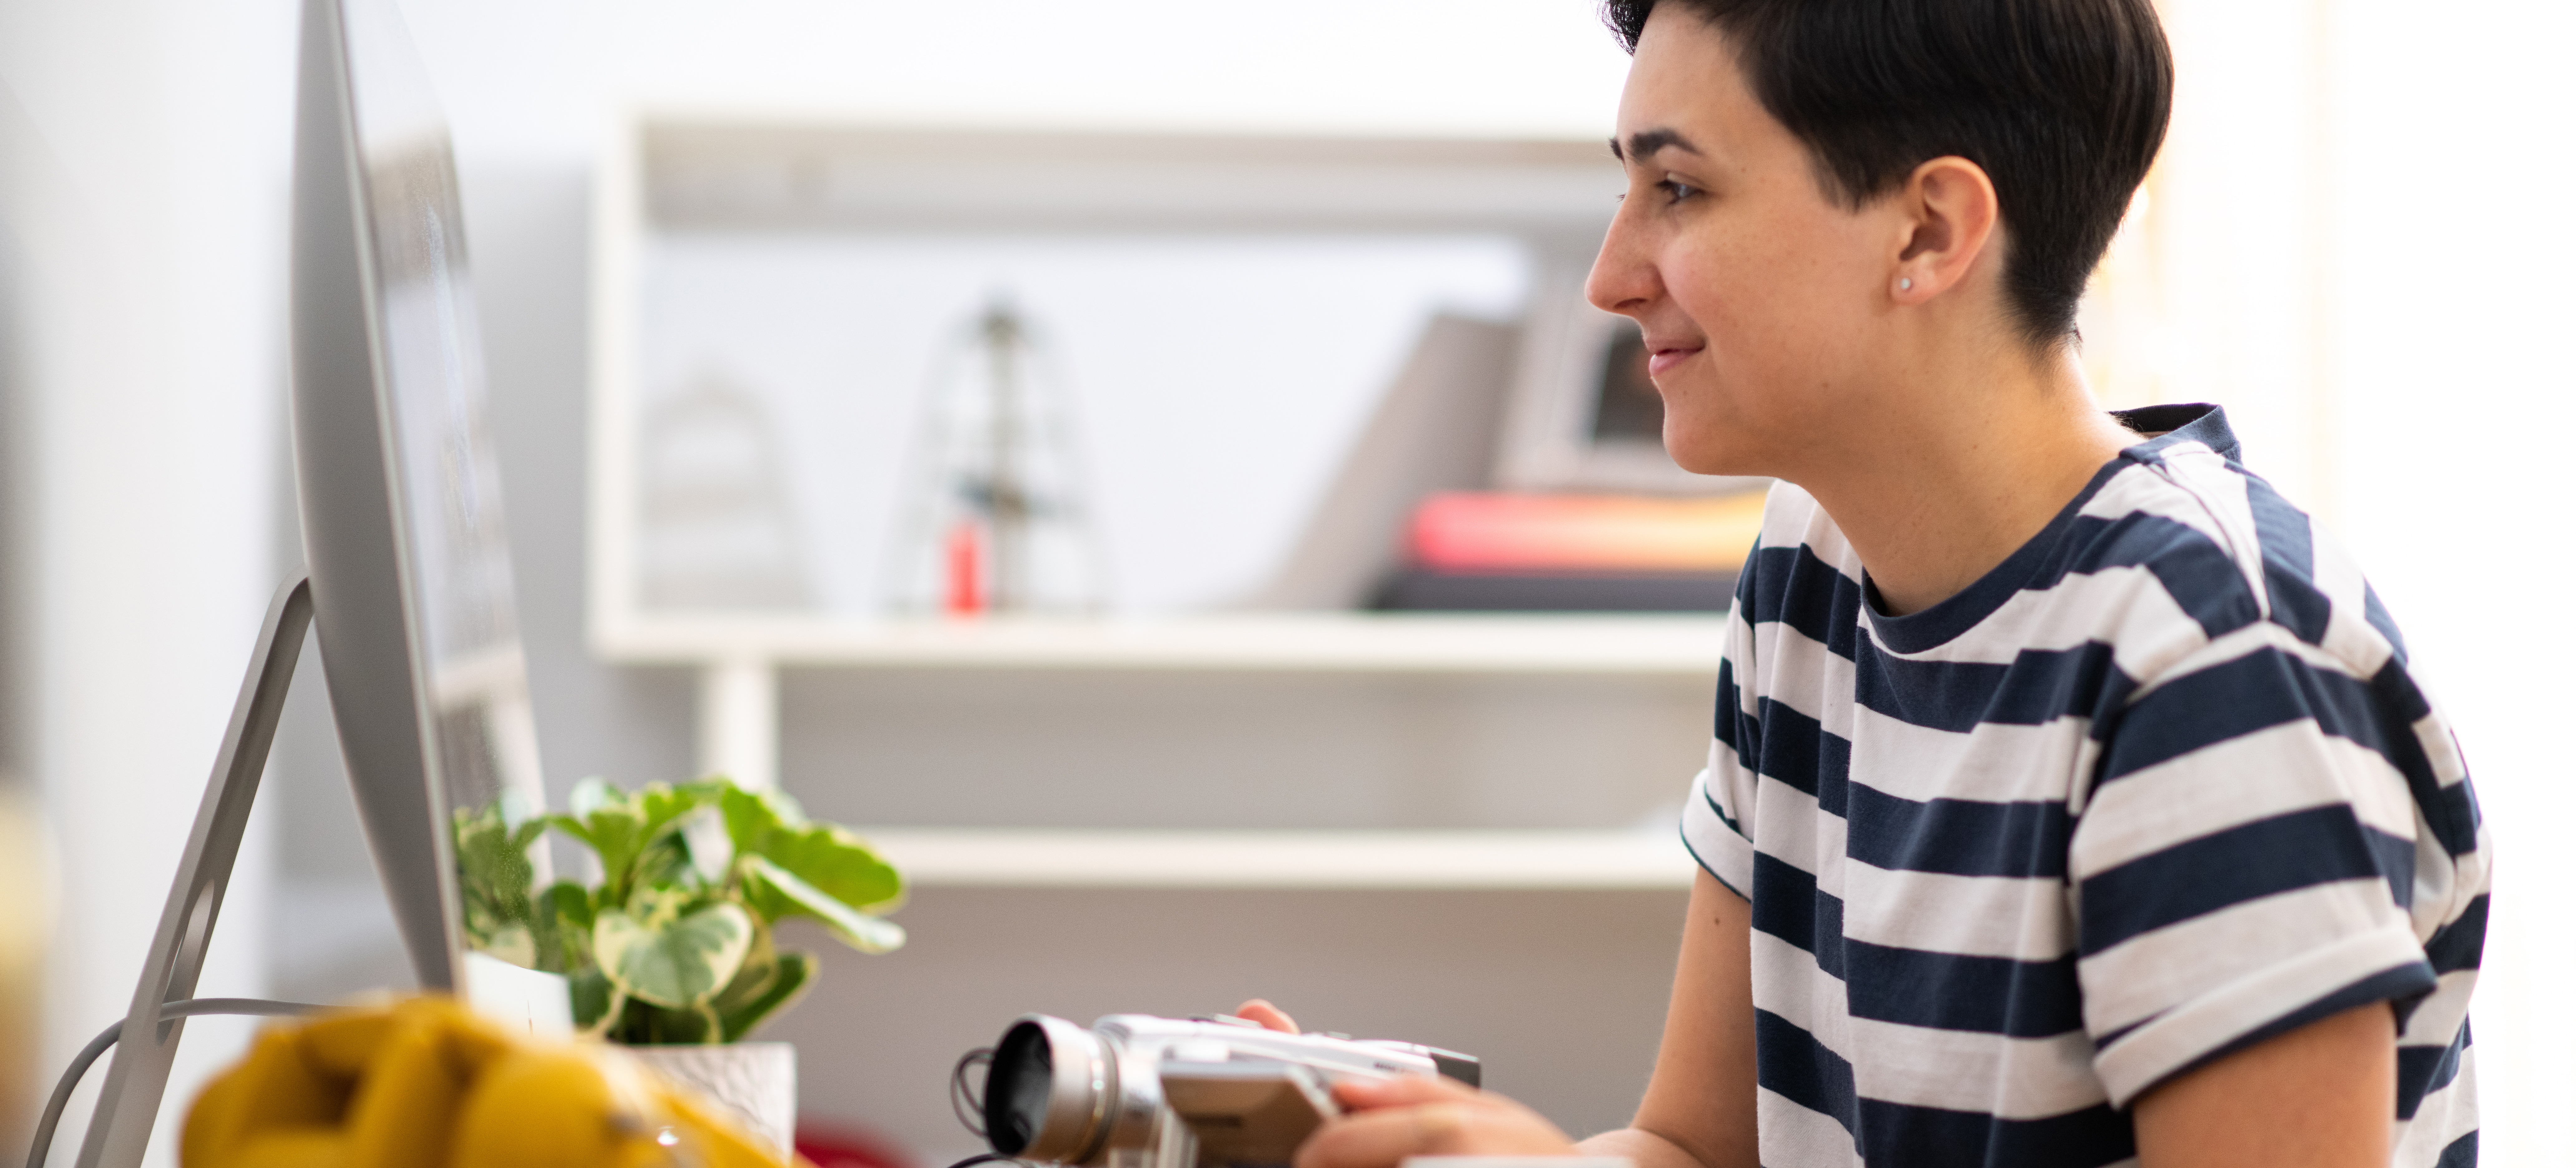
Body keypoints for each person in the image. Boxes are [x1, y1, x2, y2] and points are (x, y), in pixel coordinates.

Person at [1243, 1, 2491, 1166]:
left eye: (1677, 188)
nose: (1613, 275)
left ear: (1929, 232)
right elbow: (1691, 1151)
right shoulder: (1811, 574)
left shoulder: (2212, 656)